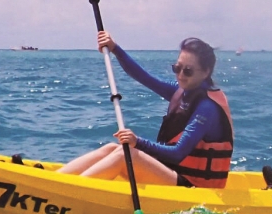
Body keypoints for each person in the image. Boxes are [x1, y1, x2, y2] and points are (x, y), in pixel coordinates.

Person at [59, 33, 234, 188]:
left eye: (188, 71)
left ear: (205, 72)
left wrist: (138, 142)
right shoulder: (181, 92)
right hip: (173, 173)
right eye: (177, 68)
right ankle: (56, 181)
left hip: (194, 187)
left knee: (126, 155)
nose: (180, 75)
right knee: (111, 148)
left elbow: (178, 153)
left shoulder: (207, 108)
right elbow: (144, 77)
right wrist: (115, 49)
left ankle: (68, 193)